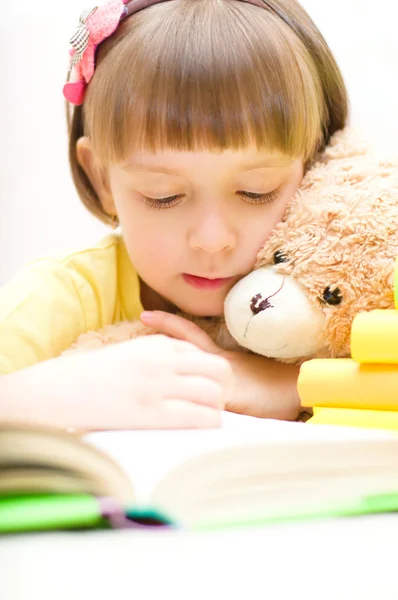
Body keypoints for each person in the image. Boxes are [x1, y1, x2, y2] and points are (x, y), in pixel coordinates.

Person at [0, 0, 348, 431]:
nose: (212, 238)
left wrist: (290, 384)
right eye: (163, 196)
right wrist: (62, 392)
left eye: (256, 191)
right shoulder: (64, 296)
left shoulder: (344, 285)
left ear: (318, 165)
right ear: (102, 179)